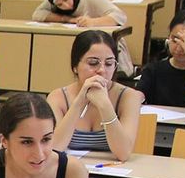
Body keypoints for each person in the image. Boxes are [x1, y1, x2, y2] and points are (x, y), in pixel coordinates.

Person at [46, 31, 142, 162]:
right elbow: (54, 148)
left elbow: (124, 153)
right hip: (71, 171)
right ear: (75, 66)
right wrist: (79, 102)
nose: (102, 70)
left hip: (111, 173)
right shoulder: (58, 97)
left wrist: (105, 106)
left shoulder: (129, 96)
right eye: (93, 63)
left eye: (109, 64)